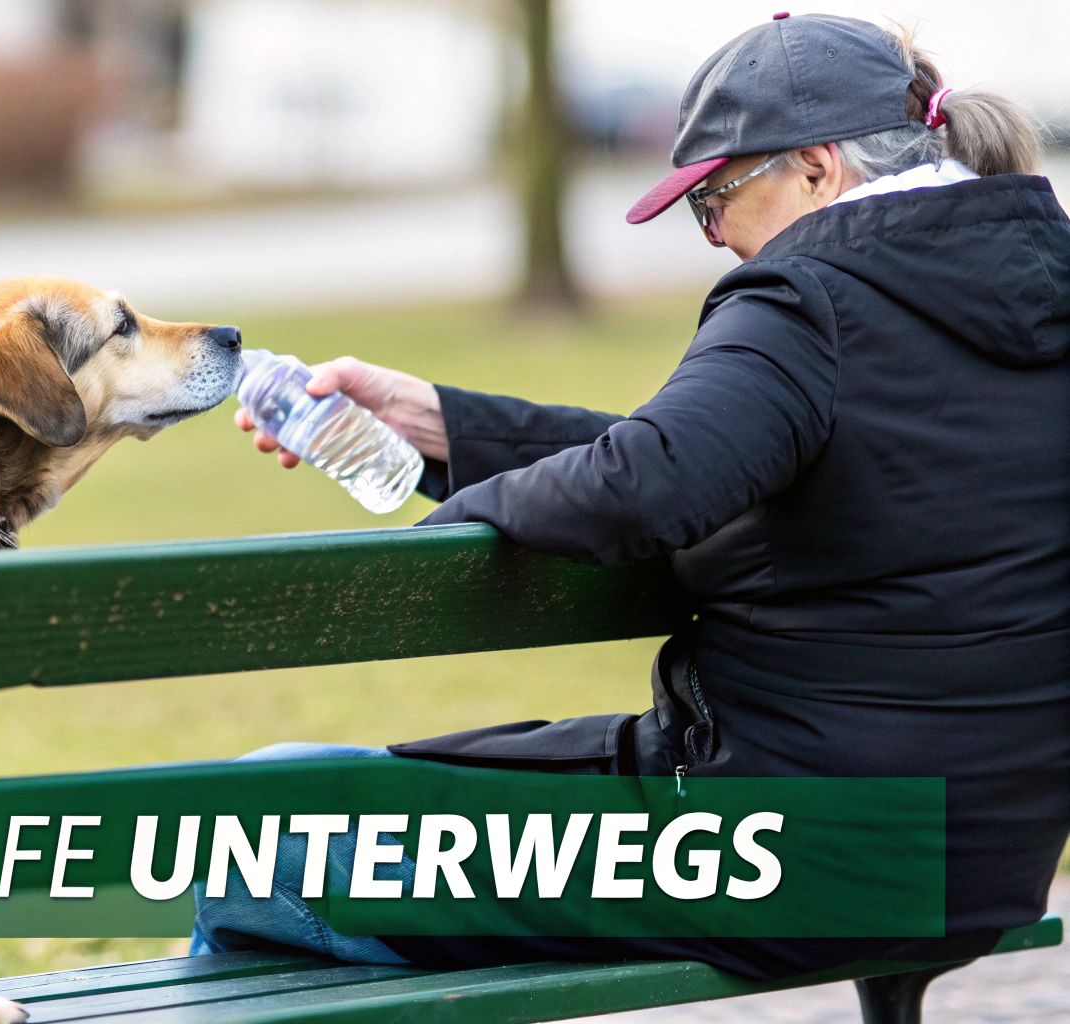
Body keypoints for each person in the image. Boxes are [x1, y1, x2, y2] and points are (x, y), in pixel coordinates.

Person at [194, 12, 1069, 980]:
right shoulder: (1028, 282)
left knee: (256, 831)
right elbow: (743, 462)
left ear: (817, 169)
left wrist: (437, 546)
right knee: (317, 792)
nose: (713, 236)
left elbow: (644, 485)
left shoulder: (807, 295)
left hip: (777, 850)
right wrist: (439, 425)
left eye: (716, 199)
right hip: (980, 855)